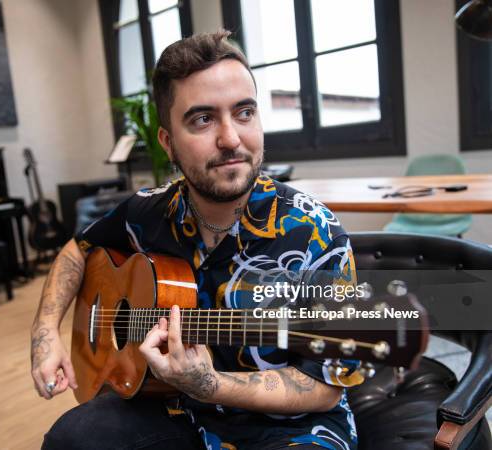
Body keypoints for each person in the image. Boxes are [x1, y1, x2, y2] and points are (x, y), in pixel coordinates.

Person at [31, 30, 362, 450]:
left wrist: (209, 384)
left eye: (244, 113)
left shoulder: (315, 233)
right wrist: (45, 331)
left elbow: (325, 387)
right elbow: (77, 249)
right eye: (202, 119)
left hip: (291, 428)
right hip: (174, 409)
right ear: (167, 142)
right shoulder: (148, 211)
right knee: (70, 438)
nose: (230, 138)